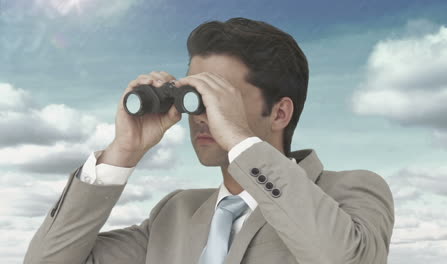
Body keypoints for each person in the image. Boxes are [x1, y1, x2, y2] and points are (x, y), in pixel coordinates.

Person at [24, 17, 394, 264]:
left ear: (280, 113)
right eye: (193, 95)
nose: (200, 114)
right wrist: (122, 153)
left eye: (219, 96)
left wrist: (237, 137)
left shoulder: (350, 191)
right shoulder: (176, 213)